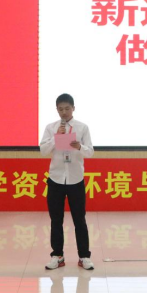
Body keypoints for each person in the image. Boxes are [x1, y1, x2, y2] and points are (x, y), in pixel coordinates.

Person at [40, 93, 94, 270]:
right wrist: (56, 137)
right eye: (60, 109)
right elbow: (43, 150)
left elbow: (90, 152)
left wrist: (79, 146)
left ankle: (84, 257)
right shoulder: (51, 128)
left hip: (75, 179)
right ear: (57, 110)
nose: (64, 112)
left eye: (67, 108)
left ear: (73, 108)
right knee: (56, 220)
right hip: (56, 179)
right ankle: (57, 256)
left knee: (79, 219)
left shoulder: (82, 127)